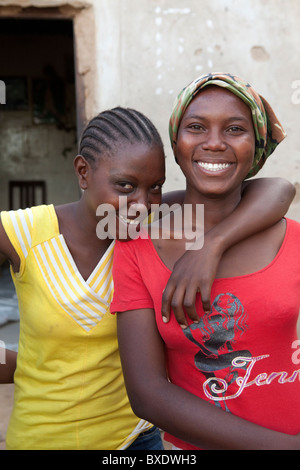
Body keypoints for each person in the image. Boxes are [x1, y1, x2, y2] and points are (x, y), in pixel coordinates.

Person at [0, 104, 294, 450]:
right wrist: (29, 364)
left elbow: (277, 189)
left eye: (154, 187)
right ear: (83, 172)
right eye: (125, 185)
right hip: (40, 440)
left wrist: (211, 245)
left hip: (136, 442)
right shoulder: (27, 233)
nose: (141, 204)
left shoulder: (152, 231)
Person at [111, 73, 300, 450]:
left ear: (255, 145)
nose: (214, 143)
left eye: (234, 129)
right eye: (196, 127)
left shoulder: (292, 239)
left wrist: (210, 245)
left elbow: (281, 188)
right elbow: (147, 394)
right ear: (177, 144)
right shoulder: (137, 248)